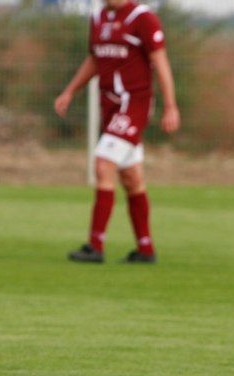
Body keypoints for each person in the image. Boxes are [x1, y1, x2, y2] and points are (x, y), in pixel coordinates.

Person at [55, 0, 181, 264]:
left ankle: (95, 246)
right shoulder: (98, 18)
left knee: (103, 165)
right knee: (132, 178)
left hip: (134, 104)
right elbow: (94, 59)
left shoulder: (142, 18)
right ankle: (145, 249)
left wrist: (170, 105)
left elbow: (160, 62)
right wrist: (69, 91)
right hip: (110, 107)